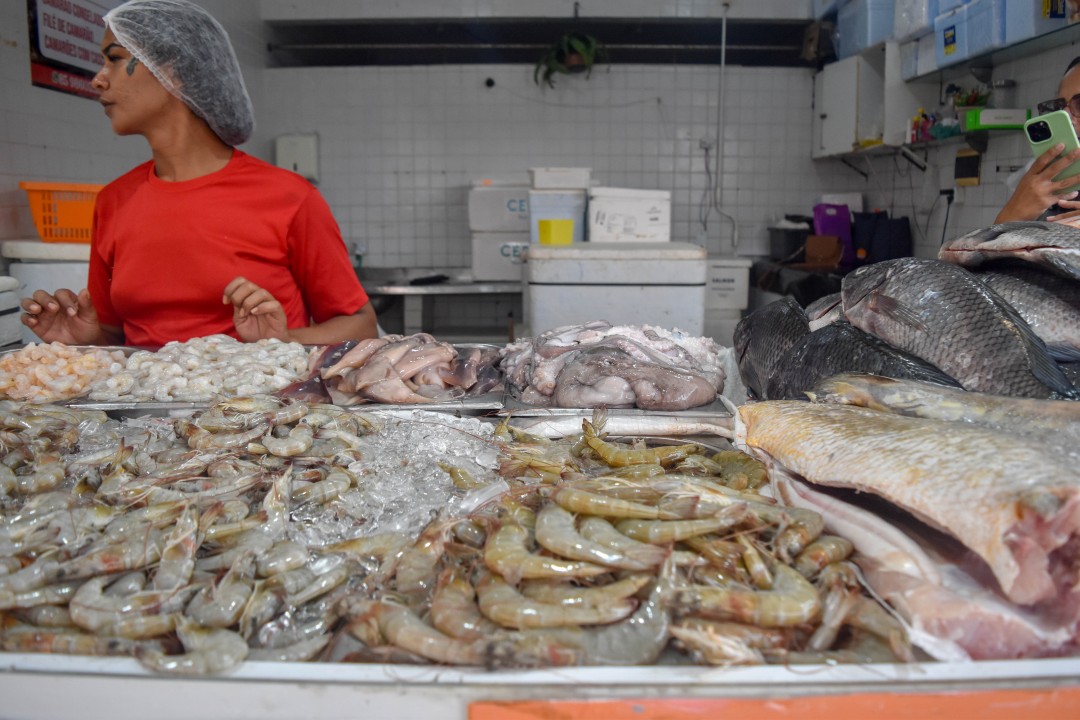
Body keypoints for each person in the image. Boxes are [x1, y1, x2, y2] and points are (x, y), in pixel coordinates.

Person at [20, 0, 377, 347]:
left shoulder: (289, 198)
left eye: (114, 59)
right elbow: (116, 339)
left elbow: (361, 326)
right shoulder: (114, 201)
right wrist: (86, 340)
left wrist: (283, 341)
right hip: (145, 409)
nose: (98, 80)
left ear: (174, 71)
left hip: (261, 407)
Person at [996, 56, 1080, 225]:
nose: (1068, 118)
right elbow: (991, 249)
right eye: (1060, 108)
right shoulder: (1052, 190)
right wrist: (1014, 212)